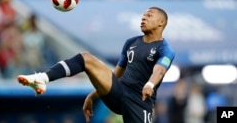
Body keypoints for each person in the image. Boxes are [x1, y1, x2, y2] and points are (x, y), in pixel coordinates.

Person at [17, 7, 175, 123]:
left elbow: (159, 70)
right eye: (143, 15)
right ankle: (42, 78)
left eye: (149, 15)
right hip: (119, 92)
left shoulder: (165, 49)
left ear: (161, 22)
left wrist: (150, 84)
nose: (143, 18)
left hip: (139, 102)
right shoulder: (131, 42)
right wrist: (93, 95)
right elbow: (116, 75)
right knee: (85, 58)